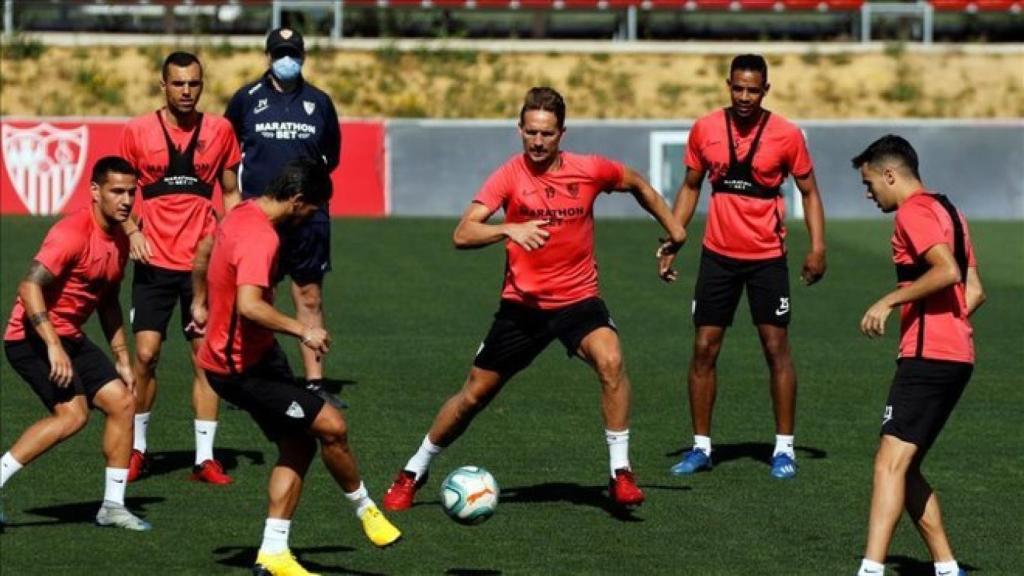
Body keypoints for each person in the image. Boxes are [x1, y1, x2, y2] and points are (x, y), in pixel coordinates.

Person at [382, 86, 686, 512]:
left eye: (546, 133)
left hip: (578, 300)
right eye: (530, 133)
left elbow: (636, 183)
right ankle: (413, 471)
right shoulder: (509, 176)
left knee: (611, 360)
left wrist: (676, 230)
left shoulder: (590, 169)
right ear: (520, 130)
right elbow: (463, 232)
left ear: (562, 132)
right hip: (522, 308)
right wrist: (508, 229)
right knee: (473, 396)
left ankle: (621, 473)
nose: (537, 142)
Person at [194, 157, 400, 575]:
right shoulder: (261, 238)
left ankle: (273, 554)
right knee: (332, 427)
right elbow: (250, 306)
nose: (310, 219)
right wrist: (303, 329)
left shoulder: (239, 213)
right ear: (297, 200)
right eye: (311, 210)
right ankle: (365, 509)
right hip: (239, 369)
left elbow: (203, 251)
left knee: (299, 443)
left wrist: (200, 300)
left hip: (255, 357)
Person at [658, 53, 827, 479]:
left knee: (776, 351)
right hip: (717, 256)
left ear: (766, 89)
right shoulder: (706, 129)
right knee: (704, 350)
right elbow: (691, 187)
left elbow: (809, 193)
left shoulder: (787, 135)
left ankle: (784, 449)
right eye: (738, 88)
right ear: (728, 85)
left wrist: (817, 247)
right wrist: (673, 239)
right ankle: (701, 448)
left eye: (753, 89)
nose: (745, 96)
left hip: (768, 259)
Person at [851, 135, 983, 576]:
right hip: (957, 354)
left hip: (928, 357)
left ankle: (870, 570)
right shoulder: (952, 212)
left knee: (888, 464)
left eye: (870, 184)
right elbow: (974, 290)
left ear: (891, 174)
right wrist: (945, 322)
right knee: (904, 468)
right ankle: (947, 568)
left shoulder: (913, 212)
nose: (870, 193)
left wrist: (890, 302)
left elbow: (947, 271)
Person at [0, 156, 150, 532]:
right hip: (31, 336)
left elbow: (108, 299)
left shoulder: (119, 237)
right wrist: (53, 345)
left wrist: (122, 358)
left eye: (132, 192)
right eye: (117, 191)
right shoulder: (72, 233)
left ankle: (112, 507)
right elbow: (28, 285)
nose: (127, 200)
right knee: (73, 415)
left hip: (69, 336)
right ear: (95, 192)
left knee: (123, 402)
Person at [119, 51, 241, 484]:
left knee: (205, 360)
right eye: (178, 83)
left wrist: (235, 242)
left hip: (202, 267)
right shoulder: (136, 132)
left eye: (194, 84)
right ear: (163, 85)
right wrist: (133, 231)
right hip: (153, 263)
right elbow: (118, 194)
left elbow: (230, 194)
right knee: (146, 357)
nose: (186, 91)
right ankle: (137, 450)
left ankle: (204, 458)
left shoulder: (221, 130)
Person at [224, 27, 343, 408]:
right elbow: (228, 152)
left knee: (309, 294)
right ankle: (245, 373)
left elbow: (332, 157)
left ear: (303, 57)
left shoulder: (319, 102)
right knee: (255, 294)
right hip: (262, 218)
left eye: (292, 53)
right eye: (280, 53)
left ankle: (313, 382)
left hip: (309, 217)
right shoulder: (246, 100)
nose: (286, 59)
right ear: (268, 57)